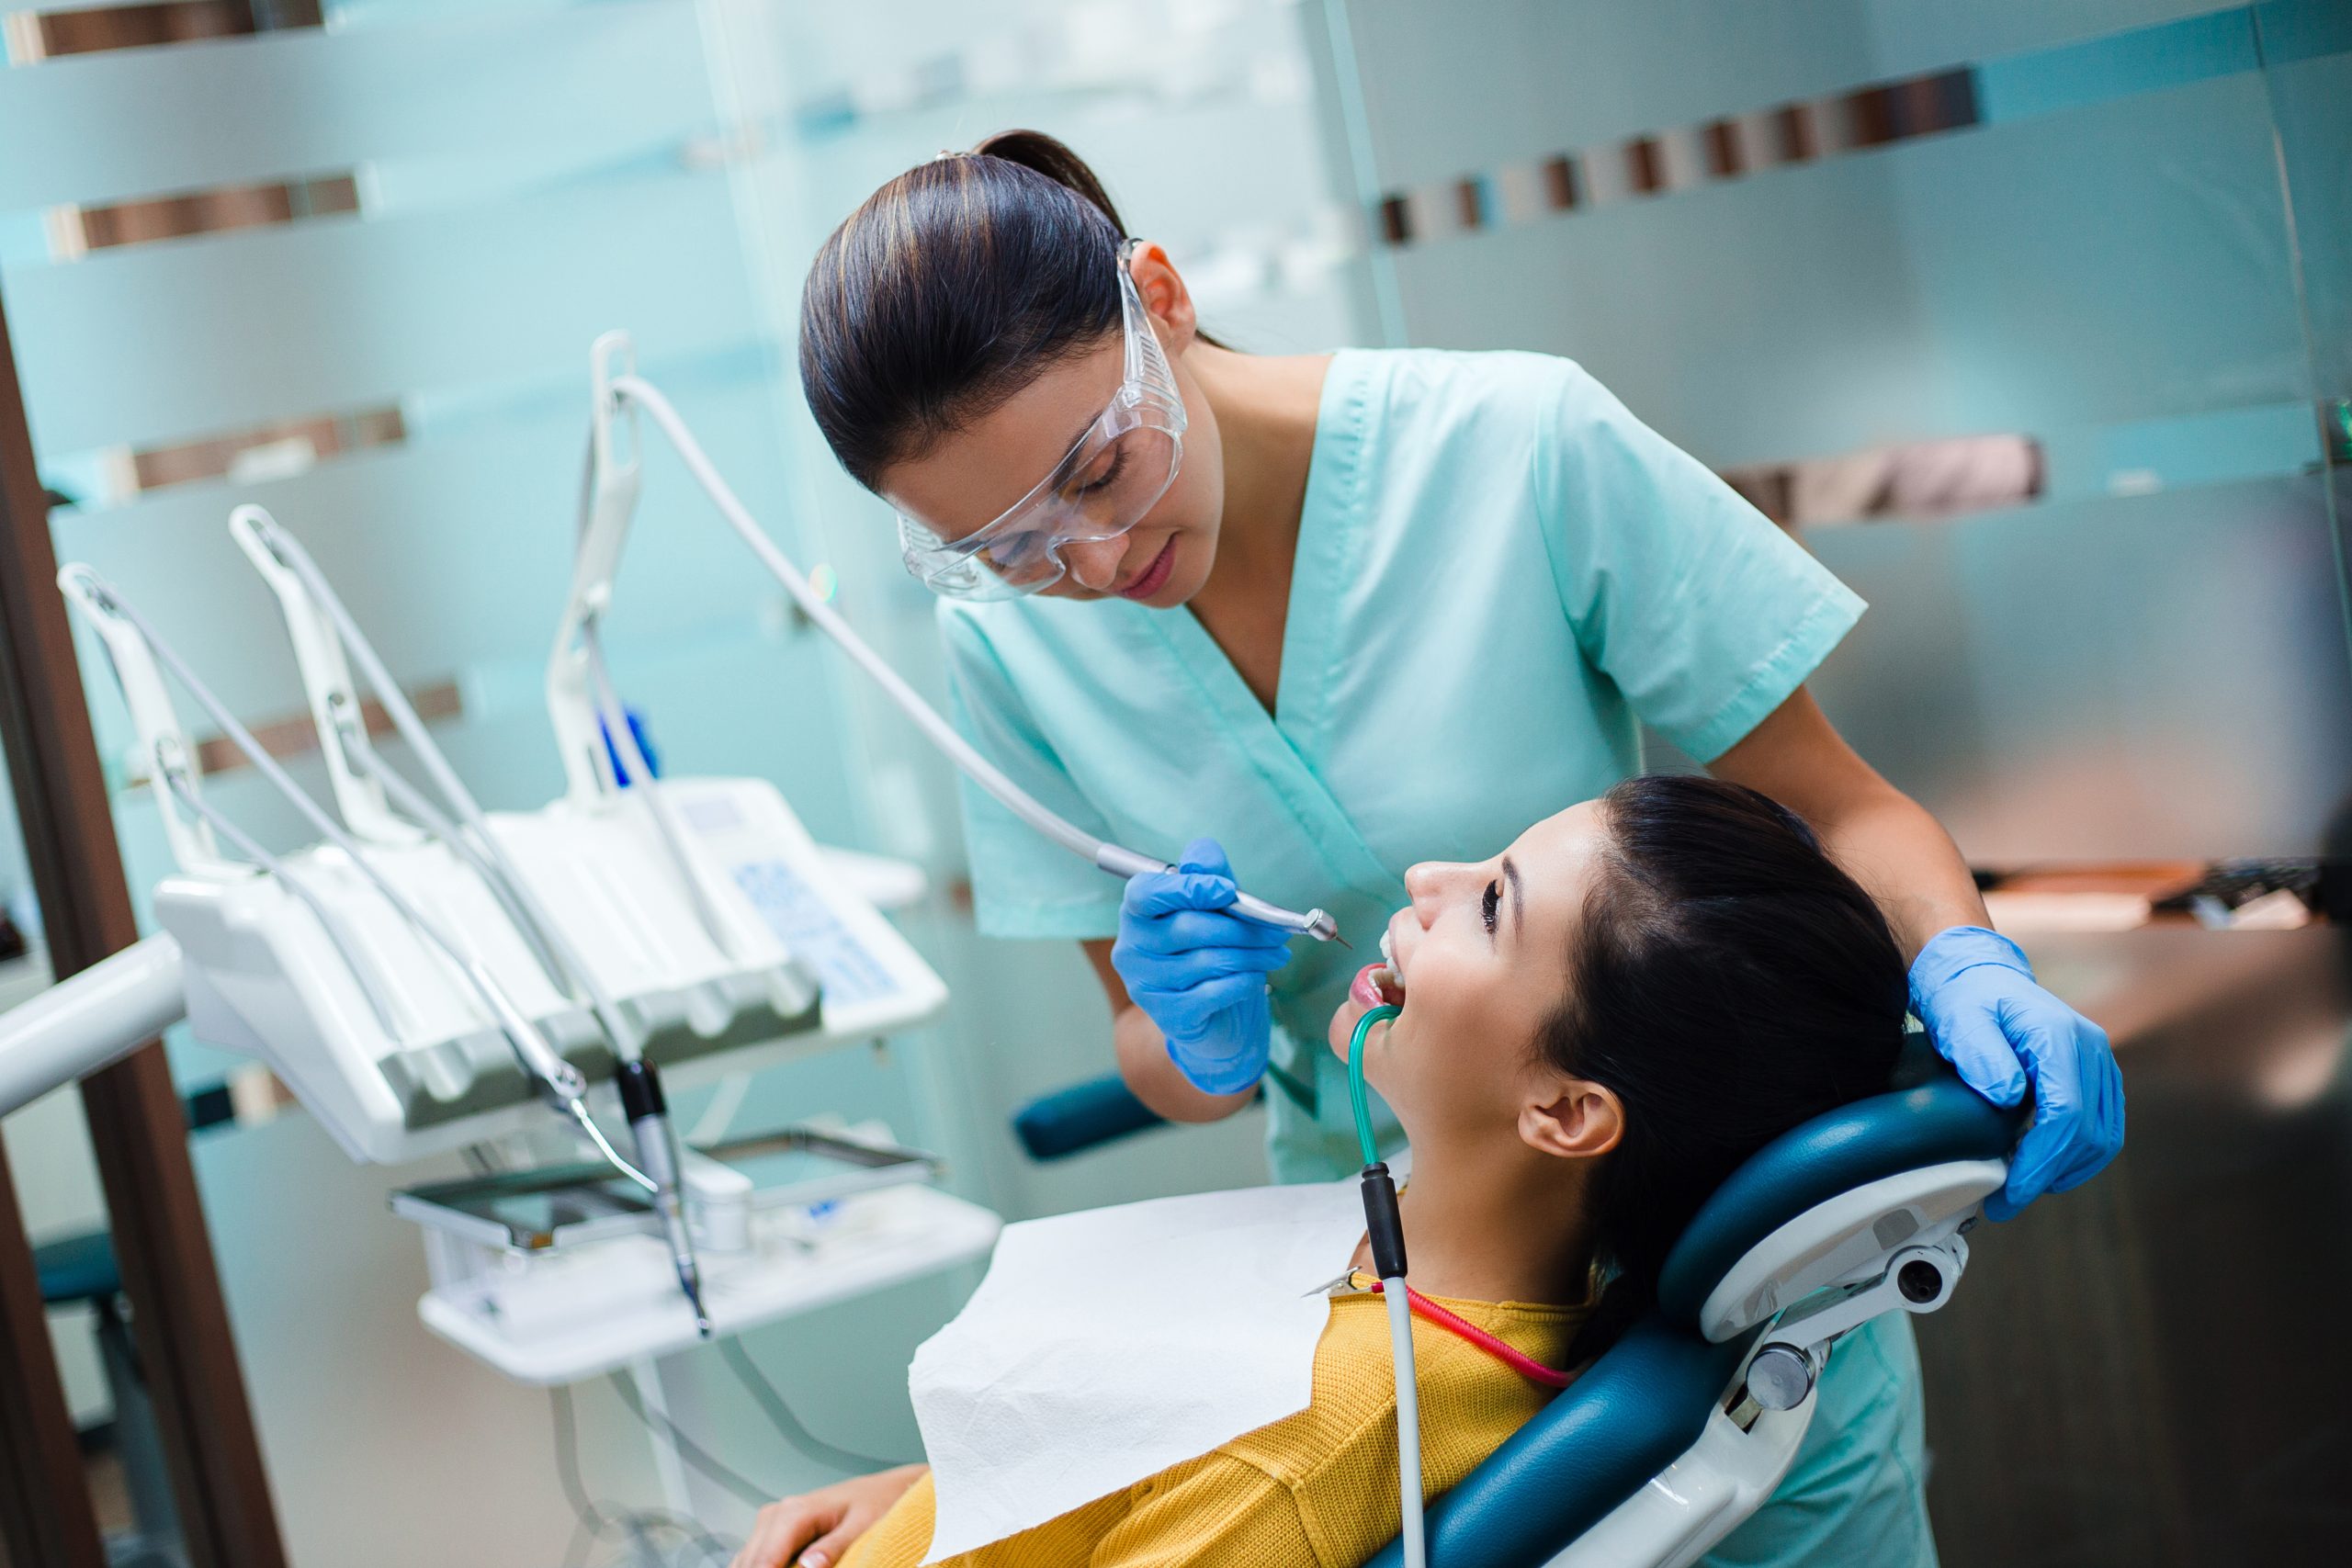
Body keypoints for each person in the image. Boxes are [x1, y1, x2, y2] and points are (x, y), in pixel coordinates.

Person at [793, 131, 2124, 1562]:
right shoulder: (1004, 651)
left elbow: (1840, 805)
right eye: (1009, 546)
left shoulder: (1516, 448)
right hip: (1368, 1323)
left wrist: (1968, 958)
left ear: (1160, 298)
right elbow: (1153, 1064)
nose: (1096, 563)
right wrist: (1193, 1046)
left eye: (1103, 469)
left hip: (1737, 1305)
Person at [729, 777, 1928, 1568]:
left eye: (1493, 904)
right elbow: (1128, 1464)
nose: (1427, 884)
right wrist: (946, 1502)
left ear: (1565, 1111)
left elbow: (1243, 1480)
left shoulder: (1319, 1437)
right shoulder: (1388, 1273)